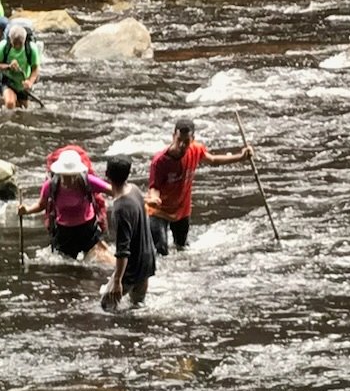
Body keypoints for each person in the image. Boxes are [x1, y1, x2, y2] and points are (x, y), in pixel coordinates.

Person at [146, 116, 250, 255]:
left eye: (186, 141)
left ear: (193, 139)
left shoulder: (196, 150)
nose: (182, 145)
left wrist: (241, 157)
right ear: (173, 137)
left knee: (181, 248)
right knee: (161, 251)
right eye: (179, 140)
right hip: (159, 211)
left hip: (182, 210)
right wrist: (153, 199)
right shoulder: (160, 161)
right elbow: (154, 188)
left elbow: (213, 160)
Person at [22, 149, 113, 262]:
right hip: (64, 231)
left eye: (72, 175)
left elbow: (113, 190)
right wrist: (26, 210)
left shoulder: (87, 181)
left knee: (99, 259)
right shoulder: (50, 186)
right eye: (65, 175)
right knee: (66, 264)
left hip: (87, 228)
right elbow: (41, 205)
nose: (69, 179)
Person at [100, 152, 156, 311]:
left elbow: (123, 250)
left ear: (107, 174)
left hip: (132, 266)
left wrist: (117, 280)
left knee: (106, 307)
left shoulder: (120, 209)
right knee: (137, 306)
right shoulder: (135, 189)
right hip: (147, 259)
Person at [0, 22, 43, 110]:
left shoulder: (31, 49)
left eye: (20, 43)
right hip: (7, 81)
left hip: (23, 84)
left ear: (24, 40)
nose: (17, 46)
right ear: (10, 39)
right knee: (10, 103)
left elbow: (35, 69)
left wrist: (30, 82)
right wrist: (8, 66)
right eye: (14, 43)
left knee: (23, 109)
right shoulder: (3, 47)